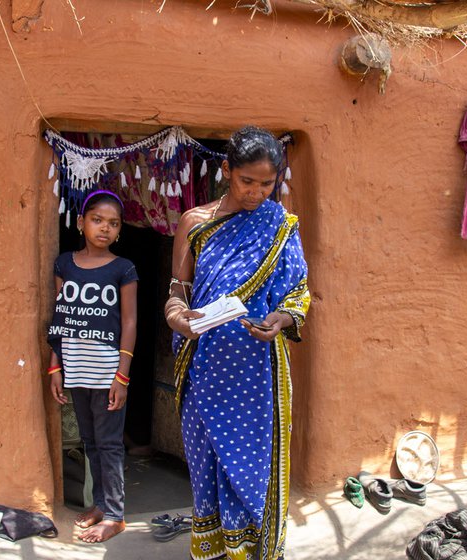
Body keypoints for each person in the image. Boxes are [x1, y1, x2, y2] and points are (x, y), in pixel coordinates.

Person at [165, 126, 310, 560]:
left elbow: (298, 292)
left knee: (252, 471)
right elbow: (178, 291)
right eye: (248, 181)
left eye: (267, 184)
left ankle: (256, 552)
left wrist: (281, 319)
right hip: (203, 371)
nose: (257, 193)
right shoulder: (195, 223)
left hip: (258, 376)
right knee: (208, 467)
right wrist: (177, 318)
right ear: (227, 170)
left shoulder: (281, 226)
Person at [47, 190, 138, 543]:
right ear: (82, 222)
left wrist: (123, 375)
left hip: (107, 371)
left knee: (110, 443)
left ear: (119, 231)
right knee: (91, 442)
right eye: (98, 220)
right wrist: (56, 368)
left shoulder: (123, 268)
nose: (105, 228)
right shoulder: (65, 264)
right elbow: (60, 317)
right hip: (75, 367)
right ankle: (101, 504)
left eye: (113, 224)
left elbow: (129, 323)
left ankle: (115, 514)